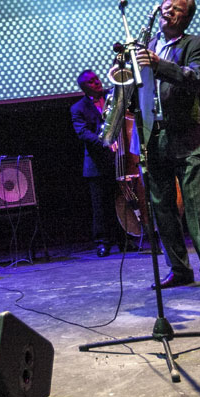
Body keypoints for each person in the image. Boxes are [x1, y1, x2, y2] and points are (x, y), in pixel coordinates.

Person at [134, 0, 200, 292]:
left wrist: (159, 65)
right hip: (153, 134)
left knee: (197, 208)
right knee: (162, 209)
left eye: (176, 9)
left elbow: (195, 78)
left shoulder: (195, 44)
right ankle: (179, 270)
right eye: (166, 7)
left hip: (187, 136)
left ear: (186, 18)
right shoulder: (147, 45)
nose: (168, 11)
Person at [71, 70, 124, 257]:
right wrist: (105, 142)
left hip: (119, 159)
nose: (97, 82)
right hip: (96, 164)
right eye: (91, 81)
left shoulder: (112, 96)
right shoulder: (78, 108)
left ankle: (125, 240)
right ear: (84, 88)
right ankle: (103, 243)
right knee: (100, 206)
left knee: (122, 201)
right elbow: (83, 133)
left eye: (96, 79)